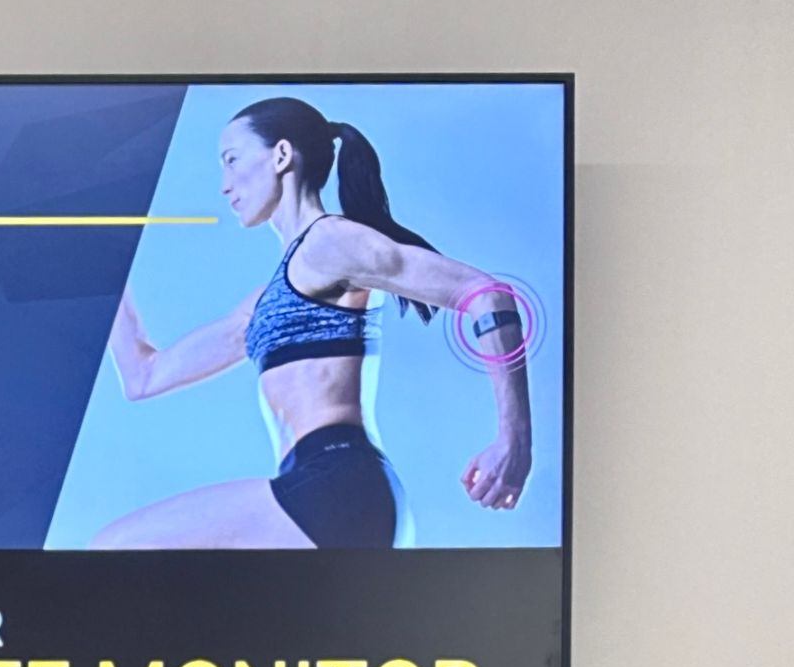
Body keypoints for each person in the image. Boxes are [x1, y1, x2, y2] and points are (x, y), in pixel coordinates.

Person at [92, 97, 534, 548]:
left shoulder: (329, 242)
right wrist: (101, 253)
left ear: (282, 155)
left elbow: (488, 296)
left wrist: (514, 442)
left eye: (232, 160)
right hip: (324, 494)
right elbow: (143, 376)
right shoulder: (267, 304)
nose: (224, 185)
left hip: (338, 486)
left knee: (114, 548)